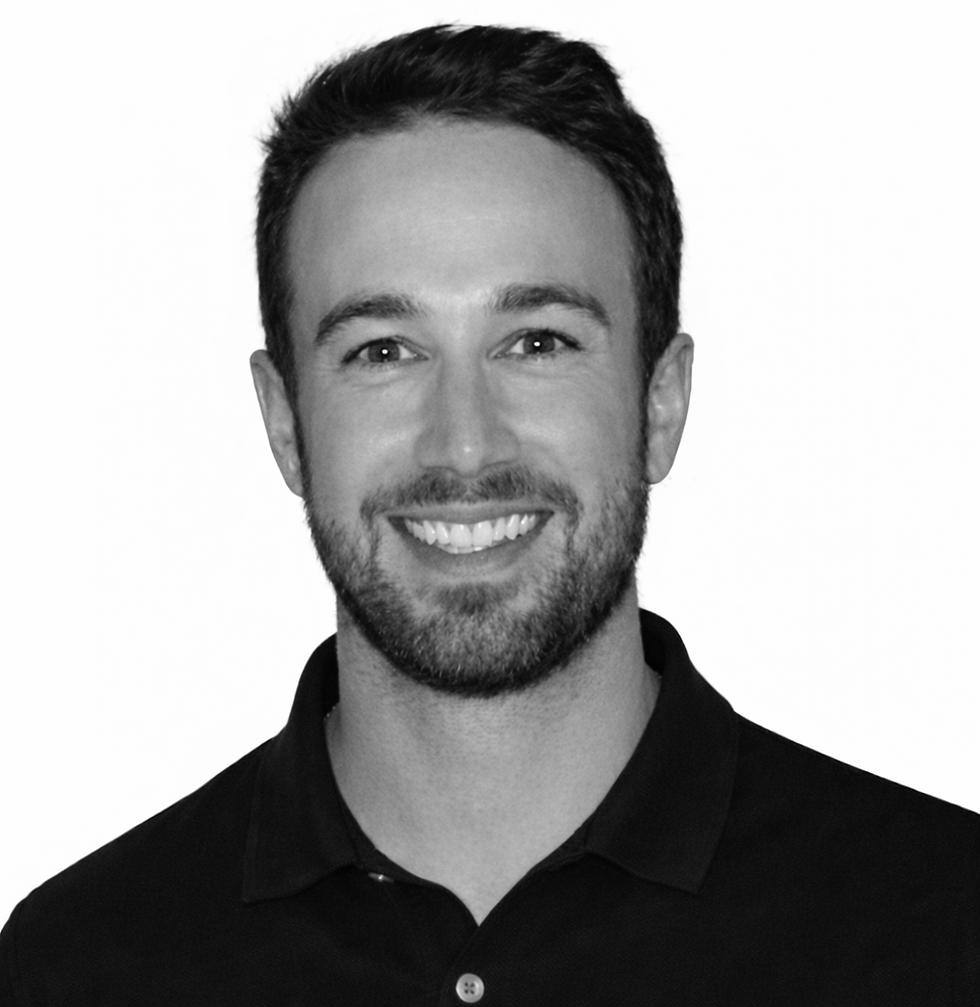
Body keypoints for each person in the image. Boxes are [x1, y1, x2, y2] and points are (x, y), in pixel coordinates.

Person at [1, 22, 977, 1004]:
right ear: (286, 424)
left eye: (537, 341)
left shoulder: (941, 928)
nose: (464, 444)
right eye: (383, 350)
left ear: (659, 404)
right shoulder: (78, 966)